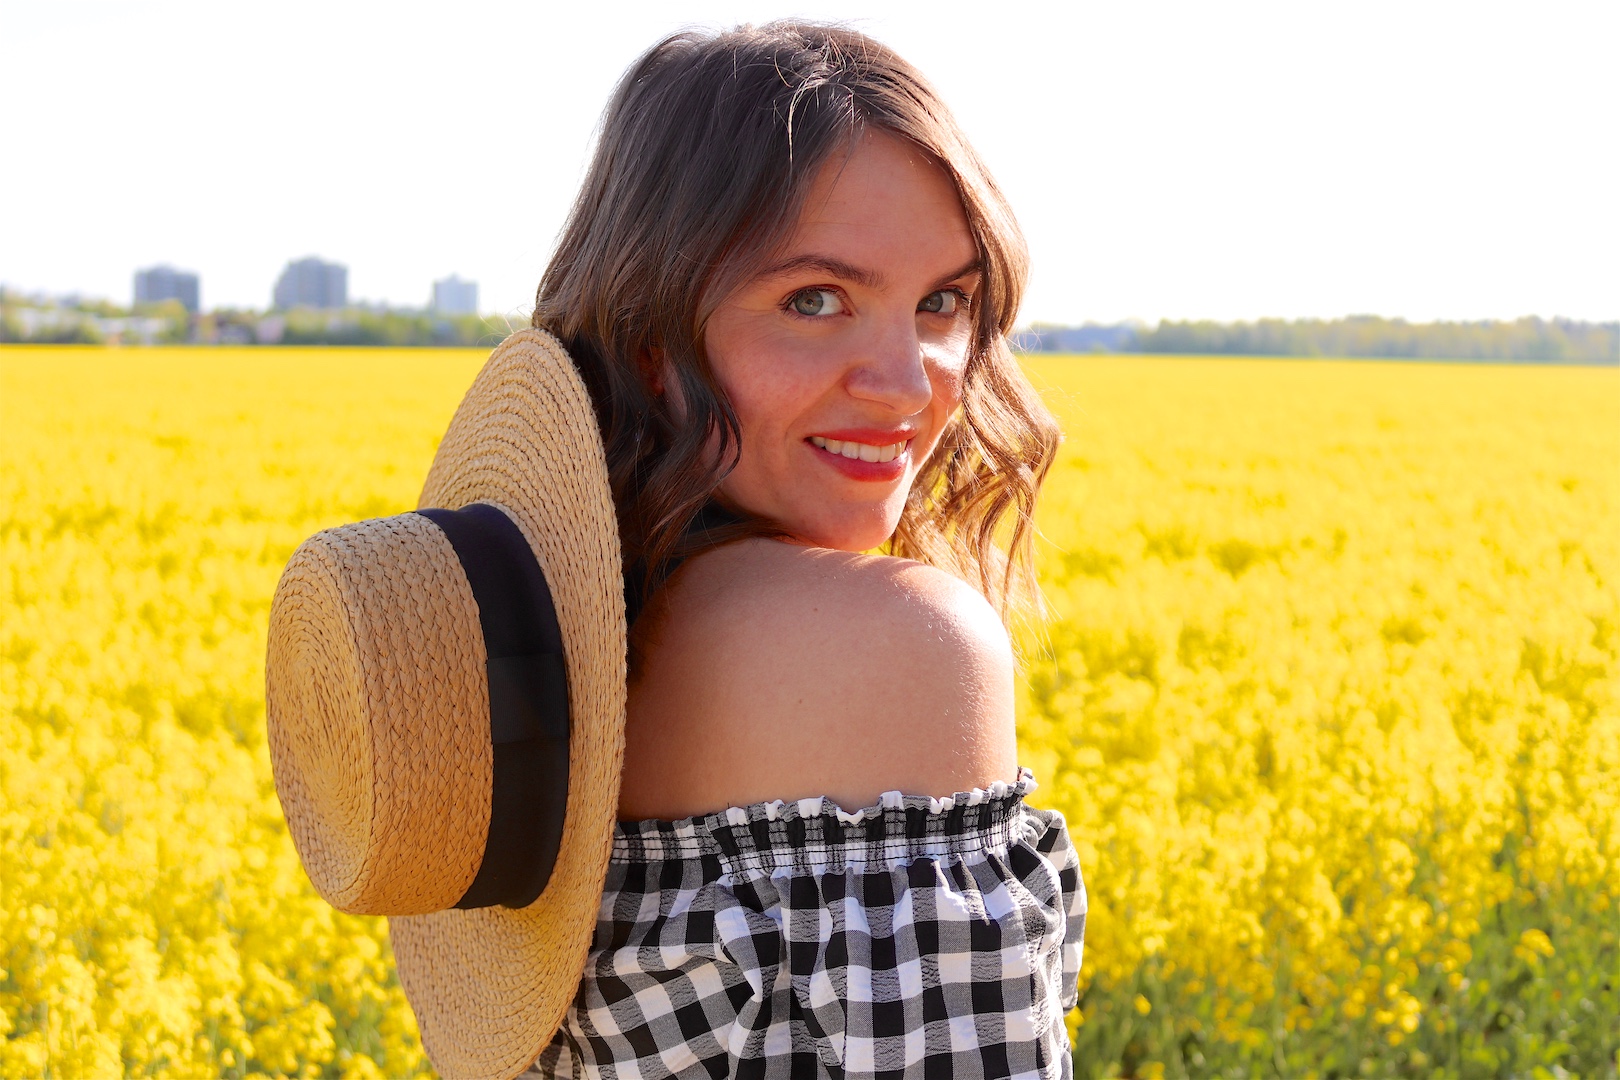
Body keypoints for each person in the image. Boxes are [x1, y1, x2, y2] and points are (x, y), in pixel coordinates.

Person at [523, 21, 1087, 1078]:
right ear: (652, 342)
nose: (911, 381)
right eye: (814, 300)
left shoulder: (532, 641)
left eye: (942, 303)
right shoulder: (893, 644)